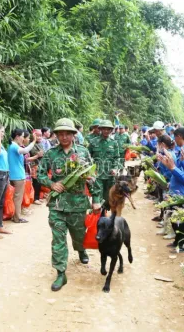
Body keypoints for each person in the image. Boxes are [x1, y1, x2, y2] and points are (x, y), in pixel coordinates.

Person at [37, 118, 101, 291]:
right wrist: (51, 184)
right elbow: (40, 174)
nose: (64, 137)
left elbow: (92, 177)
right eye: (60, 134)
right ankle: (60, 272)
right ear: (56, 135)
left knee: (79, 235)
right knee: (58, 239)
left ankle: (80, 249)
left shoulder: (82, 152)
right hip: (57, 204)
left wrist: (96, 199)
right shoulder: (50, 153)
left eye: (67, 134)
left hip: (78, 203)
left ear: (74, 135)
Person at [89, 120, 119, 211]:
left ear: (111, 130)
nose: (106, 131)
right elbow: (87, 157)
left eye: (108, 129)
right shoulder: (93, 142)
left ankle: (104, 214)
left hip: (110, 175)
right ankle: (97, 217)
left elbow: (117, 158)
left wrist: (115, 168)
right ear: (100, 129)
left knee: (108, 197)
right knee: (97, 196)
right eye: (104, 129)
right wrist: (90, 170)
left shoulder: (114, 143)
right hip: (97, 174)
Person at [8, 129, 36, 223]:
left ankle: (15, 215)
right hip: (18, 176)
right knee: (18, 198)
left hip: (14, 175)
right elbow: (25, 150)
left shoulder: (12, 146)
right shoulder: (14, 146)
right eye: (22, 136)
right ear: (17, 136)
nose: (23, 138)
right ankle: (17, 217)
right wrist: (34, 141)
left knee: (16, 197)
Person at [30, 129, 44, 205]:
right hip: (34, 165)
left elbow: (43, 153)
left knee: (39, 182)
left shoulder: (40, 144)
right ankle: (35, 198)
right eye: (37, 136)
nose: (39, 137)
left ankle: (37, 197)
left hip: (40, 165)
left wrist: (40, 154)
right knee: (36, 182)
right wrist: (39, 154)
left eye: (40, 136)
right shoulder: (32, 144)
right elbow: (35, 153)